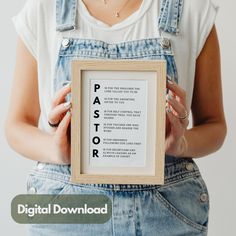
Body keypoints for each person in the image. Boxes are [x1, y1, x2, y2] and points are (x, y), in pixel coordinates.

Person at [5, 0, 227, 235]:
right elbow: (17, 124)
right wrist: (55, 150)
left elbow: (214, 125)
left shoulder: (192, 9)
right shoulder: (44, 9)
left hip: (167, 212)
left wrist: (181, 145)